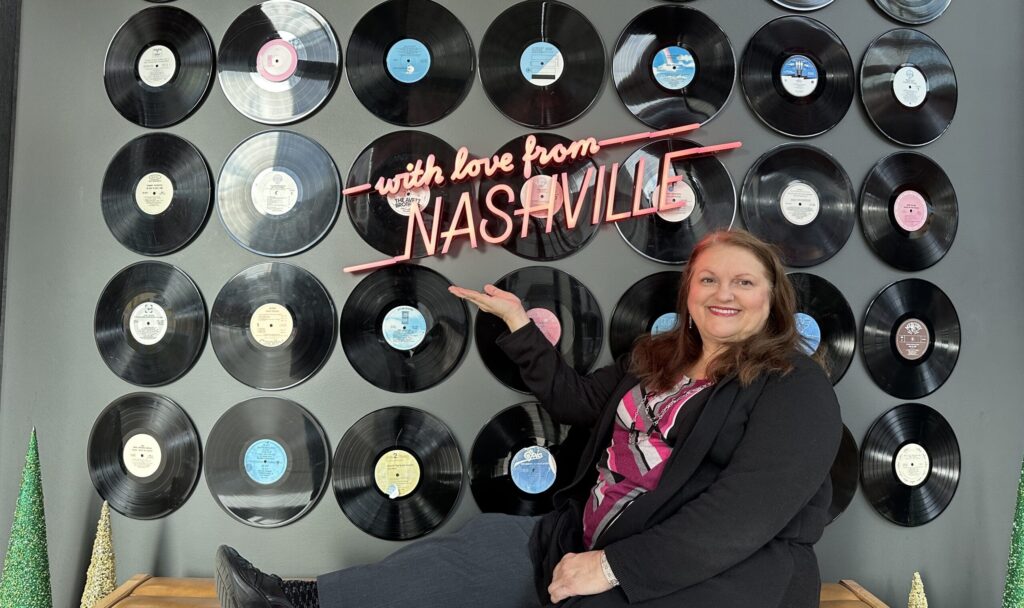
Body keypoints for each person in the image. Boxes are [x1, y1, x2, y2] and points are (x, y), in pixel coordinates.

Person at [215, 229, 842, 608]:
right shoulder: (656, 360)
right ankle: (295, 601)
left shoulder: (795, 386)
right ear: (688, 292)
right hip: (589, 538)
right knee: (490, 543)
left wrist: (612, 568)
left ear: (772, 298)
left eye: (744, 283)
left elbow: (741, 517)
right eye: (708, 278)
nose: (723, 294)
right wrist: (519, 328)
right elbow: (572, 400)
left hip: (706, 580)